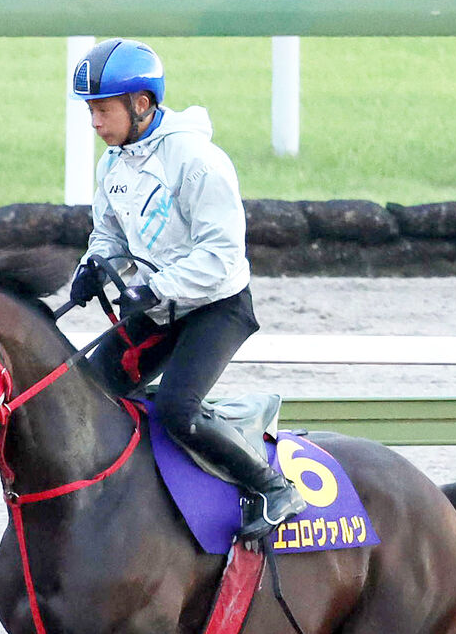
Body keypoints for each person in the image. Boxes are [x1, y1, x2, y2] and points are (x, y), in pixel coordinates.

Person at [68, 37, 306, 542]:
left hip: (217, 308)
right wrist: (94, 264)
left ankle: (272, 487)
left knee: (178, 410)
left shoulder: (199, 161)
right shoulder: (111, 165)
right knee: (86, 391)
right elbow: (108, 234)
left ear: (142, 104)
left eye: (102, 110)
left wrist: (155, 289)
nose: (94, 123)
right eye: (90, 111)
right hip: (159, 307)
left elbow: (221, 259)